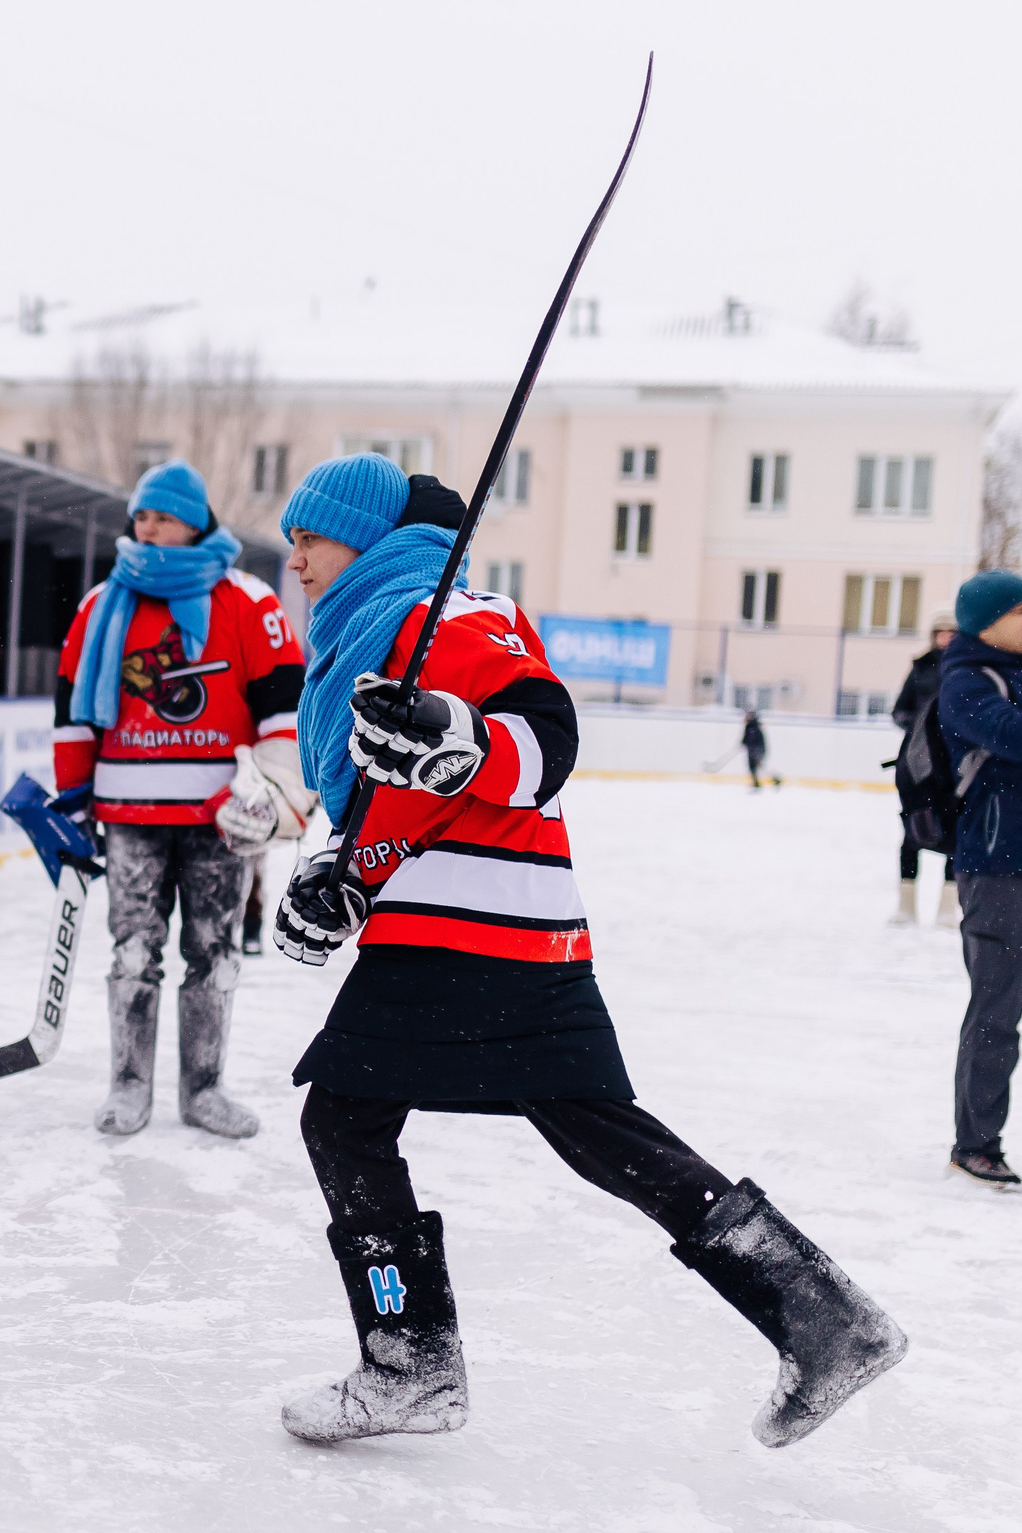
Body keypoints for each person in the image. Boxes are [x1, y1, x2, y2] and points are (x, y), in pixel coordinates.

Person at [269, 452, 906, 1448]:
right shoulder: (368, 639)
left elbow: (543, 736)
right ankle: (823, 1320)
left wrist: (464, 737)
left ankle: (408, 1362)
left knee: (343, 1126)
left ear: (362, 535)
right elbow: (400, 807)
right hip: (505, 927)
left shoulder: (449, 615)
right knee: (598, 1131)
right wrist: (339, 882)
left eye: (307, 538)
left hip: (469, 932)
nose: (295, 560)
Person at [52, 459, 311, 1138]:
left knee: (215, 951)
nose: (147, 527)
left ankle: (203, 1090)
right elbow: (75, 714)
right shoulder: (100, 604)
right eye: (140, 516)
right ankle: (129, 1085)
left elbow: (284, 707)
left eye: (161, 516)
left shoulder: (248, 601)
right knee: (134, 950)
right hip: (127, 813)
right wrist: (72, 801)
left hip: (219, 816)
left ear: (194, 521)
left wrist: (276, 790)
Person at [934, 571, 1022, 1190]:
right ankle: (976, 1144)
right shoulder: (966, 681)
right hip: (997, 868)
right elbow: (1011, 735)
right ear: (991, 620)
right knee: (998, 1006)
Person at [892, 612, 960, 928]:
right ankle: (906, 905)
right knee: (912, 832)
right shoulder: (921, 667)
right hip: (917, 766)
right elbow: (900, 709)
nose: (945, 637)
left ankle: (947, 907)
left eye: (951, 632)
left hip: (955, 762)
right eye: (940, 631)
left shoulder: (964, 668)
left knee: (956, 833)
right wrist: (918, 728)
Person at [741, 708, 775, 789]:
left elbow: (753, 740)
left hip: (756, 752)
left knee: (758, 768)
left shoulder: (753, 727)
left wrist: (757, 753)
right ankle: (757, 783)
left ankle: (774, 779)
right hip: (753, 751)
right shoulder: (751, 726)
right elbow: (747, 739)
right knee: (754, 768)